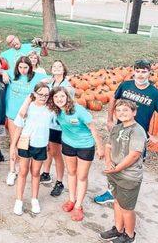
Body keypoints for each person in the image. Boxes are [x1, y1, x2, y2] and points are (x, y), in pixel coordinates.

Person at [95, 59, 158, 205]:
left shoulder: (154, 93)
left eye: (144, 72)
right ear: (133, 71)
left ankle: (126, 194)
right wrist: (110, 119)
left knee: (132, 164)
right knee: (115, 160)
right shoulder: (125, 85)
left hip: (138, 134)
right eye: (138, 71)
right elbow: (113, 100)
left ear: (149, 72)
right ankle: (111, 192)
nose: (140, 75)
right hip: (120, 130)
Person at [49, 87, 104, 222]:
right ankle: (72, 200)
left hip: (85, 146)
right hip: (68, 144)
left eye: (62, 96)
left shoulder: (79, 110)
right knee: (71, 173)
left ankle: (79, 206)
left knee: (81, 176)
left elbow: (93, 128)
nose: (59, 99)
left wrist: (100, 147)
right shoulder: (56, 111)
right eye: (56, 97)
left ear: (67, 97)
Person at [99, 99, 147, 243]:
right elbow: (108, 146)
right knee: (117, 201)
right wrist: (108, 162)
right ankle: (118, 229)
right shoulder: (116, 128)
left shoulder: (137, 131)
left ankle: (129, 235)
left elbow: (134, 155)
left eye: (126, 110)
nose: (122, 113)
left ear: (134, 112)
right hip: (114, 173)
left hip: (128, 176)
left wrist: (117, 169)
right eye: (118, 110)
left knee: (127, 208)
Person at [10, 82, 54, 216]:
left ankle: (34, 199)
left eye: (46, 95)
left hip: (40, 145)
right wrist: (13, 146)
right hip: (26, 143)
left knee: (35, 173)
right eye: (40, 94)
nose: (43, 97)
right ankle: (19, 200)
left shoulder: (50, 109)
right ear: (34, 94)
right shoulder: (28, 107)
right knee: (23, 172)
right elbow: (18, 126)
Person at [5, 56, 46, 186]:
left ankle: (22, 169)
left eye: (25, 67)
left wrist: (47, 80)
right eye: (20, 67)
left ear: (30, 67)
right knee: (14, 142)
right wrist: (3, 74)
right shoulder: (12, 74)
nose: (23, 70)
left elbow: (51, 78)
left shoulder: (36, 77)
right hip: (13, 115)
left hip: (28, 117)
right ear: (17, 67)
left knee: (24, 144)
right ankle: (12, 171)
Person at [40, 60, 72, 196]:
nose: (57, 68)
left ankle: (59, 182)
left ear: (64, 69)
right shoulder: (50, 83)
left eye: (60, 66)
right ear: (51, 69)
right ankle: (46, 173)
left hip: (58, 124)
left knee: (56, 153)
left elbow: (69, 106)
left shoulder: (67, 86)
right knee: (48, 149)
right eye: (54, 66)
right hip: (48, 122)